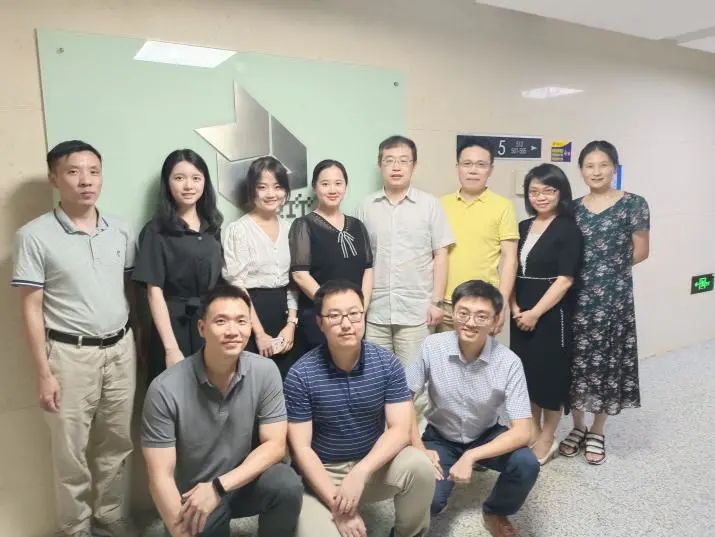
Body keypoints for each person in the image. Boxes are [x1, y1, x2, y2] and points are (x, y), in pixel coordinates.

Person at [12, 140, 139, 537]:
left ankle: (111, 516)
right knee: (70, 451)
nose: (86, 181)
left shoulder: (120, 229)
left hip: (120, 348)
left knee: (117, 442)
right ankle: (76, 527)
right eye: (73, 172)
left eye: (94, 172)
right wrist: (43, 372)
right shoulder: (33, 235)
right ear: (54, 178)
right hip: (69, 355)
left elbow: (129, 289)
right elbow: (30, 307)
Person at [141, 285, 303, 537]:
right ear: (202, 328)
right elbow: (160, 478)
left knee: (286, 484)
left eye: (241, 321)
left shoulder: (265, 371)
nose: (232, 331)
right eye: (221, 321)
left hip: (241, 482)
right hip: (194, 496)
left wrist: (218, 487)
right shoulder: (165, 389)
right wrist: (181, 530)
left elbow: (275, 445)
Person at [284, 280, 435, 537]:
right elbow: (301, 449)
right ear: (320, 323)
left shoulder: (387, 363)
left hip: (372, 465)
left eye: (354, 314)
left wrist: (362, 472)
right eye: (334, 316)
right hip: (323, 473)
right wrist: (339, 508)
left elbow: (400, 430)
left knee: (420, 466)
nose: (346, 324)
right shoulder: (301, 374)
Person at [407, 280, 539, 537]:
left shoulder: (509, 362)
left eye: (481, 316)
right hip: (440, 437)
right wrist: (419, 447)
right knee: (429, 502)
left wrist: (471, 456)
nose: (470, 322)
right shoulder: (432, 346)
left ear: (495, 321)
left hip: (485, 434)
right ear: (452, 312)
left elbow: (524, 431)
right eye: (463, 313)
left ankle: (496, 510)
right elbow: (403, 400)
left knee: (526, 463)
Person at [559, 141, 650, 465]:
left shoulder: (634, 204)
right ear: (581, 170)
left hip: (614, 298)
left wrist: (607, 272)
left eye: (603, 165)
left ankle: (598, 429)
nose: (596, 172)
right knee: (575, 362)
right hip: (576, 297)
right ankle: (578, 425)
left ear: (614, 168)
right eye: (589, 166)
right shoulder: (572, 208)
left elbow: (641, 251)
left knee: (607, 363)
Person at [355, 135, 454, 367]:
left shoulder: (430, 204)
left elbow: (441, 255)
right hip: (375, 312)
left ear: (414, 165)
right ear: (380, 165)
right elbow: (359, 260)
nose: (396, 167)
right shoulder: (365, 206)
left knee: (414, 380)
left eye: (403, 160)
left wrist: (437, 302)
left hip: (417, 313)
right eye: (389, 160)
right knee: (376, 377)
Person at [510, 164, 582, 465]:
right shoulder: (523, 226)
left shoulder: (568, 229)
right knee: (526, 375)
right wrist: (514, 307)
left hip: (551, 313)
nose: (540, 197)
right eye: (534, 191)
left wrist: (535, 313)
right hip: (519, 309)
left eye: (548, 190)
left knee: (550, 377)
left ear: (560, 193)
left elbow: (565, 280)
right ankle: (534, 430)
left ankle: (548, 437)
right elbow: (510, 269)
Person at [133, 149, 224, 383]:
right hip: (172, 326)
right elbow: (154, 293)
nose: (188, 185)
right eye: (179, 178)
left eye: (196, 178)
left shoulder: (213, 227)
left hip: (209, 322)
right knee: (175, 393)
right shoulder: (155, 230)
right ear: (168, 183)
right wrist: (171, 348)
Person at [222, 156, 301, 379]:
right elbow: (237, 285)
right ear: (252, 190)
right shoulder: (239, 230)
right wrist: (258, 333)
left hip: (284, 314)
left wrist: (291, 324)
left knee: (286, 383)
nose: (271, 193)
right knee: (251, 383)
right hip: (249, 312)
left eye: (277, 186)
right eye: (262, 187)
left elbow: (293, 281)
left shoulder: (291, 229)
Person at [289, 159, 374, 349]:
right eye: (325, 184)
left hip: (354, 319)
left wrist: (360, 310)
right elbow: (300, 275)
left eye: (338, 183)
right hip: (321, 317)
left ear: (345, 186)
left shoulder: (357, 225)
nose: (332, 189)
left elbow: (368, 270)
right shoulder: (303, 225)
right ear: (315, 187)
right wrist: (332, 308)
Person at [440, 137, 518, 334]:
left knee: (481, 355)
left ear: (490, 169)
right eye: (467, 164)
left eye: (481, 165)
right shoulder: (440, 204)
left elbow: (509, 259)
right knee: (442, 354)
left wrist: (502, 305)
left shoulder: (503, 206)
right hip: (445, 304)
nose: (473, 170)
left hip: (484, 305)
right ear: (457, 167)